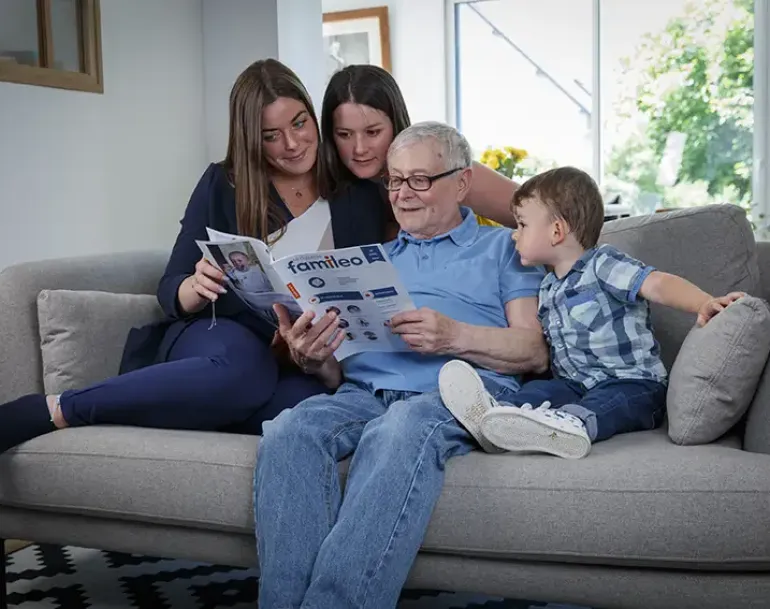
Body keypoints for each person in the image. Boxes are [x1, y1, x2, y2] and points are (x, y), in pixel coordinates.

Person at [0, 58, 389, 454]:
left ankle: (203, 406)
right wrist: (195, 286)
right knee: (242, 375)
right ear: (250, 137)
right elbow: (170, 288)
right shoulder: (224, 183)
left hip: (297, 356)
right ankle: (57, 409)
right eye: (270, 135)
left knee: (302, 411)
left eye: (299, 124)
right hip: (221, 335)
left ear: (312, 115)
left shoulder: (355, 192)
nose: (291, 144)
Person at [254, 122, 548, 609]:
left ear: (461, 183)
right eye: (394, 181)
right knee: (290, 430)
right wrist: (315, 360)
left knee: (399, 429)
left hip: (455, 393)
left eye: (419, 180)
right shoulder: (373, 261)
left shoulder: (505, 251)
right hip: (362, 394)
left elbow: (533, 350)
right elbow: (340, 372)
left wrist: (454, 336)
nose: (403, 195)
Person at [438, 166, 746, 460]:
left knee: (608, 403)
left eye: (522, 225)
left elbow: (657, 284)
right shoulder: (547, 288)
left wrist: (703, 302)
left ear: (557, 231)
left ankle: (571, 427)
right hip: (576, 384)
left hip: (634, 385)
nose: (513, 235)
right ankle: (496, 418)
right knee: (539, 390)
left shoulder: (602, 265)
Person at [319, 64, 520, 237]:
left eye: (373, 132)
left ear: (396, 125)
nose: (359, 149)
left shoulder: (444, 167)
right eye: (345, 134)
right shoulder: (343, 195)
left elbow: (541, 215)